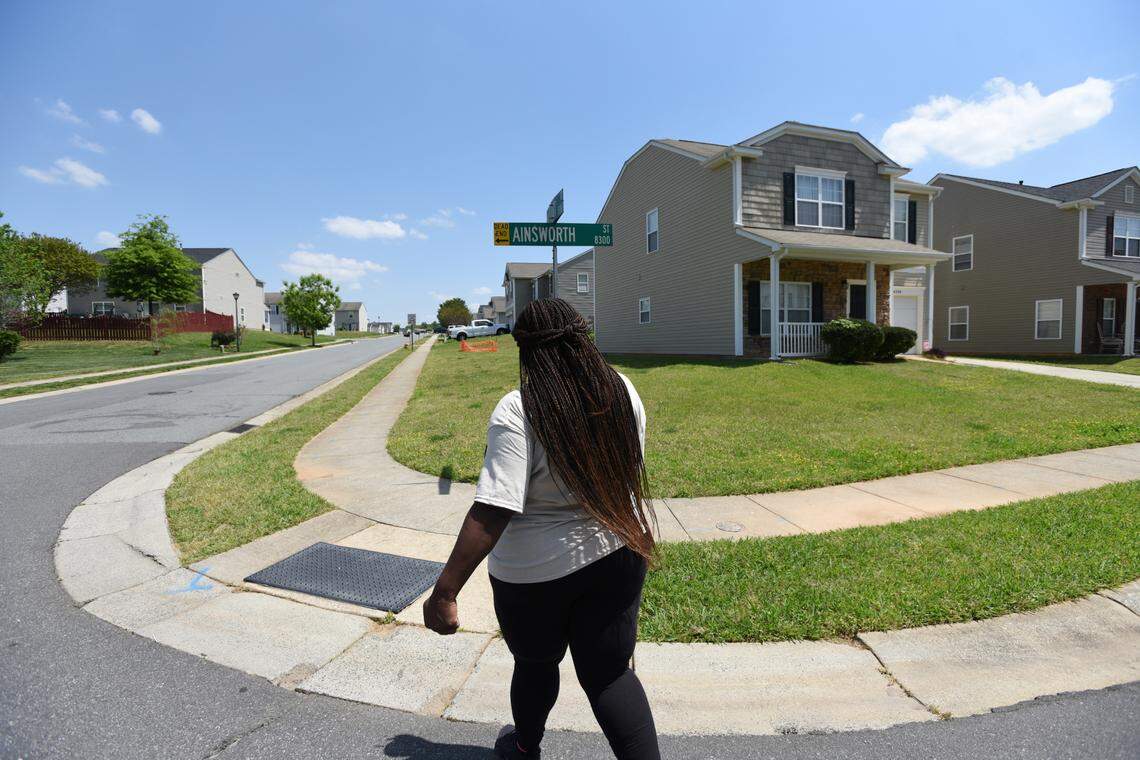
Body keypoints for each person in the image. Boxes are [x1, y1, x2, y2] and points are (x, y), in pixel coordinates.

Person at [422, 298, 661, 760]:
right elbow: (630, 472)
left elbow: (494, 508)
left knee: (535, 664)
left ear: (526, 350)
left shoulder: (518, 409)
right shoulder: (624, 390)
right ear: (581, 337)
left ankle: (524, 746)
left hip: (533, 577)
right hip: (617, 553)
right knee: (610, 675)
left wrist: (445, 592)